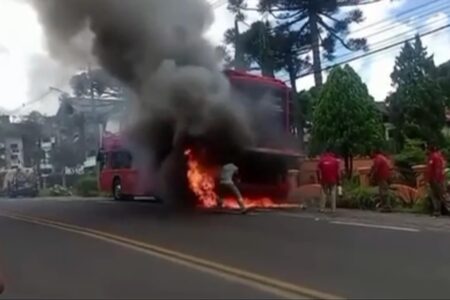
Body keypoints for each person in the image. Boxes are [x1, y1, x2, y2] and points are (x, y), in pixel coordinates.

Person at [317, 148, 340, 213]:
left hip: (324, 180)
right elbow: (338, 172)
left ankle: (322, 208)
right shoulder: (335, 161)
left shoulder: (322, 160)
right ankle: (333, 209)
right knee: (333, 193)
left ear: (325, 152)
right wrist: (339, 180)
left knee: (323, 193)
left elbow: (317, 170)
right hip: (333, 180)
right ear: (331, 153)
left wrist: (319, 178)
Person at [426, 144, 446, 217]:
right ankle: (437, 210)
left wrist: (435, 179)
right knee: (438, 195)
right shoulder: (440, 156)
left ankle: (437, 210)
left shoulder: (433, 157)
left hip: (435, 179)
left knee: (435, 195)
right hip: (440, 178)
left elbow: (435, 169)